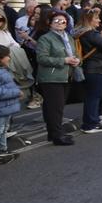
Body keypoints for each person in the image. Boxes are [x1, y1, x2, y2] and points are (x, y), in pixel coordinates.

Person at [34, 11, 77, 145]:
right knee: (55, 108)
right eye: (57, 21)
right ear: (50, 23)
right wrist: (64, 60)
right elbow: (42, 58)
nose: (60, 23)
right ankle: (57, 135)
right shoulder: (45, 38)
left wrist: (76, 60)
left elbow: (73, 53)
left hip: (66, 75)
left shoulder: (68, 37)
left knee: (54, 107)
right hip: (51, 77)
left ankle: (53, 133)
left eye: (63, 21)